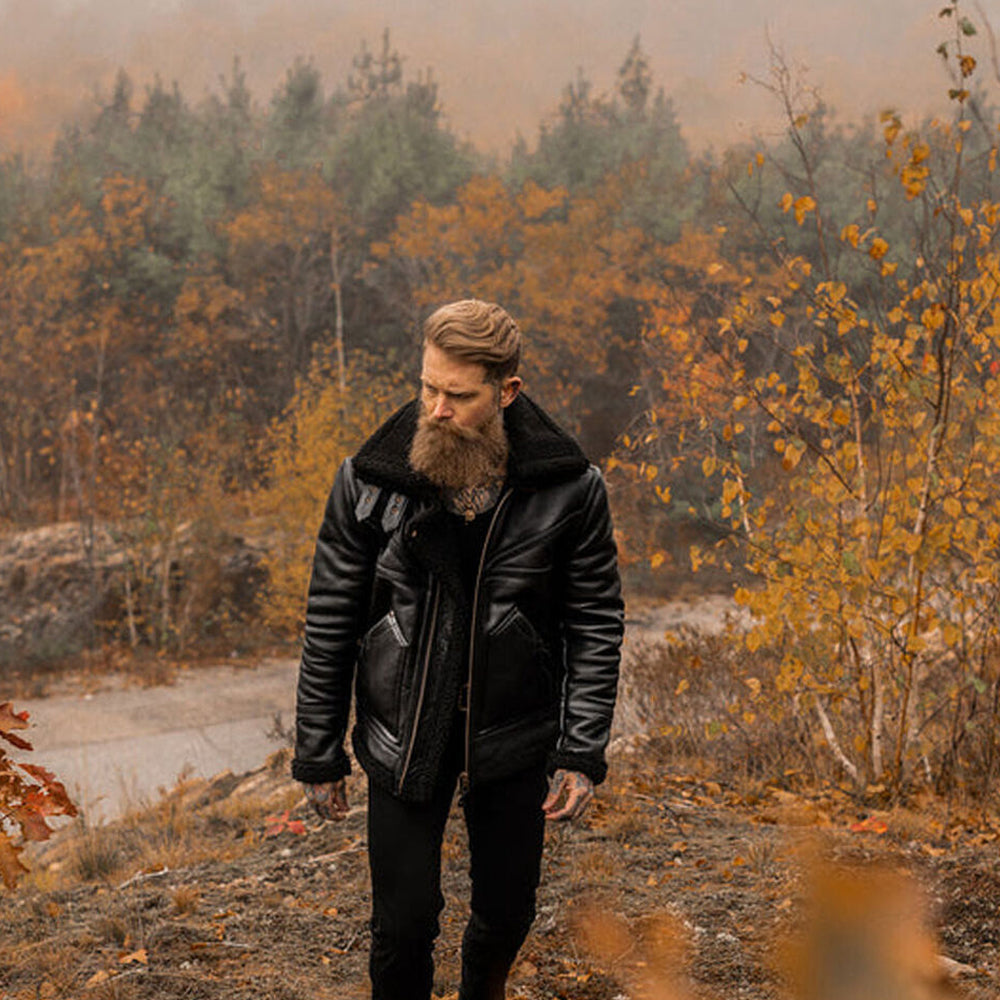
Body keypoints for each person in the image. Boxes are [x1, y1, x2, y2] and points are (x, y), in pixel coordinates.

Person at [292, 298, 624, 1000]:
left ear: (507, 392)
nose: (436, 410)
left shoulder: (568, 489)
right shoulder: (369, 480)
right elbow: (330, 618)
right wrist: (319, 752)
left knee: (508, 914)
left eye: (458, 395)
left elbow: (594, 620)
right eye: (428, 388)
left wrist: (580, 750)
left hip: (513, 733)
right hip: (401, 732)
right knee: (404, 925)